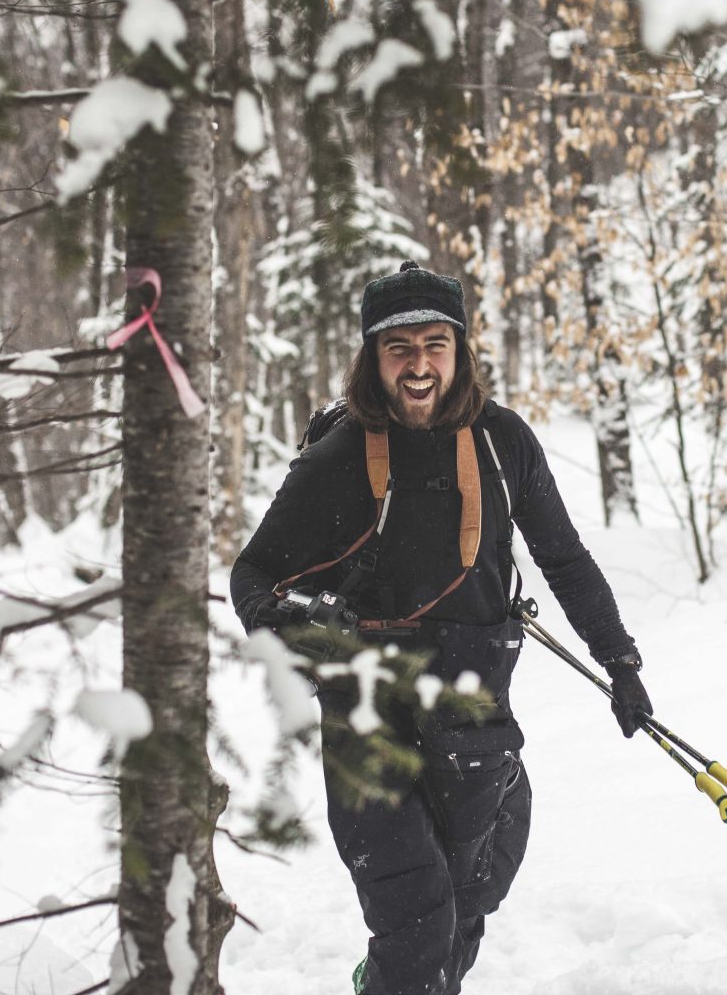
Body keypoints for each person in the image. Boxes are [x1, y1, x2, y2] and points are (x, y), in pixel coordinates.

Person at [231, 261, 652, 995]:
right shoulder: (339, 456)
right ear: (373, 357)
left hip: (473, 703)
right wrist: (307, 643)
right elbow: (253, 576)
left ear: (459, 350)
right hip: (371, 714)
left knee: (465, 905)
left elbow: (565, 558)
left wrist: (620, 661)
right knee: (419, 918)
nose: (419, 364)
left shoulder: (501, 443)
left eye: (434, 343)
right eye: (399, 348)